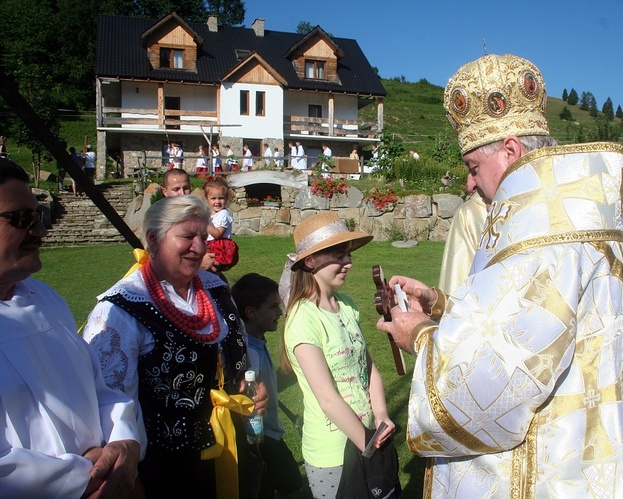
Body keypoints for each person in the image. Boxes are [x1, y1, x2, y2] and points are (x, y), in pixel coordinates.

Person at [377, 54, 623, 497]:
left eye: (472, 168)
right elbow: (530, 331)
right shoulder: (570, 214)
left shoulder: (542, 235)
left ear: (509, 150)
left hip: (545, 473)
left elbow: (492, 389)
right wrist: (443, 306)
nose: (468, 185)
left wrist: (422, 336)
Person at [83, 195, 267, 498]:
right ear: (153, 240)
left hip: (231, 451)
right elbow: (108, 405)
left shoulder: (216, 288)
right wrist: (129, 478)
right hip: (167, 472)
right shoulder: (120, 309)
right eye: (187, 236)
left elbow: (237, 355)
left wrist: (251, 385)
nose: (199, 247)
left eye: (202, 237)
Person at [0, 159, 142, 497]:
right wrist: (84, 479)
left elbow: (98, 387)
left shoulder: (45, 299)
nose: (40, 232)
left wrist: (123, 440)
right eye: (22, 220)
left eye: (38, 218)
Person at [279, 212, 396, 498]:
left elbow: (367, 368)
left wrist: (381, 417)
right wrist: (369, 446)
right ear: (310, 261)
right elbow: (327, 398)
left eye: (348, 255)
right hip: (334, 454)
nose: (349, 263)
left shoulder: (346, 306)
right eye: (338, 256)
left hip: (367, 437)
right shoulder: (303, 318)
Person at [231, 274, 304, 499]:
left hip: (268, 437)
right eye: (273, 307)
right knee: (295, 490)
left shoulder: (255, 343)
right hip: (264, 440)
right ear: (251, 313)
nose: (280, 313)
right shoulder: (250, 354)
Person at [437, 189, 487, 295]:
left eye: (475, 172)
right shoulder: (469, 213)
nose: (469, 185)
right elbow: (457, 282)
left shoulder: (470, 213)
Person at [205, 178, 239, 272]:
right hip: (209, 245)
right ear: (207, 200)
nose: (217, 202)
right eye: (213, 198)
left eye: (221, 198)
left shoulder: (223, 214)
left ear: (226, 199)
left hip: (218, 247)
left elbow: (217, 234)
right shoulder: (210, 214)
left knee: (212, 269)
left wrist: (204, 222)